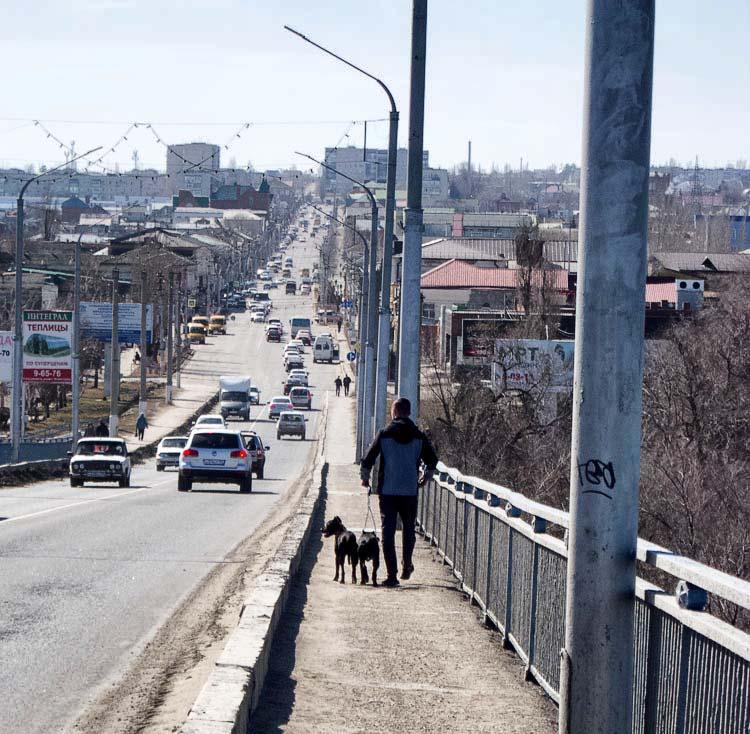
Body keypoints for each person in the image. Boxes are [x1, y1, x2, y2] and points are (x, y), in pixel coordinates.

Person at [360, 397, 438, 587]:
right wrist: (426, 477)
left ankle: (392, 575)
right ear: (409, 413)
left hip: (388, 490)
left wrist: (365, 478)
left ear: (394, 413)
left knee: (388, 532)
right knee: (409, 529)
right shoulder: (419, 436)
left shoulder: (384, 433)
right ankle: (407, 563)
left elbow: (368, 458)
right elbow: (432, 460)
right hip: (410, 490)